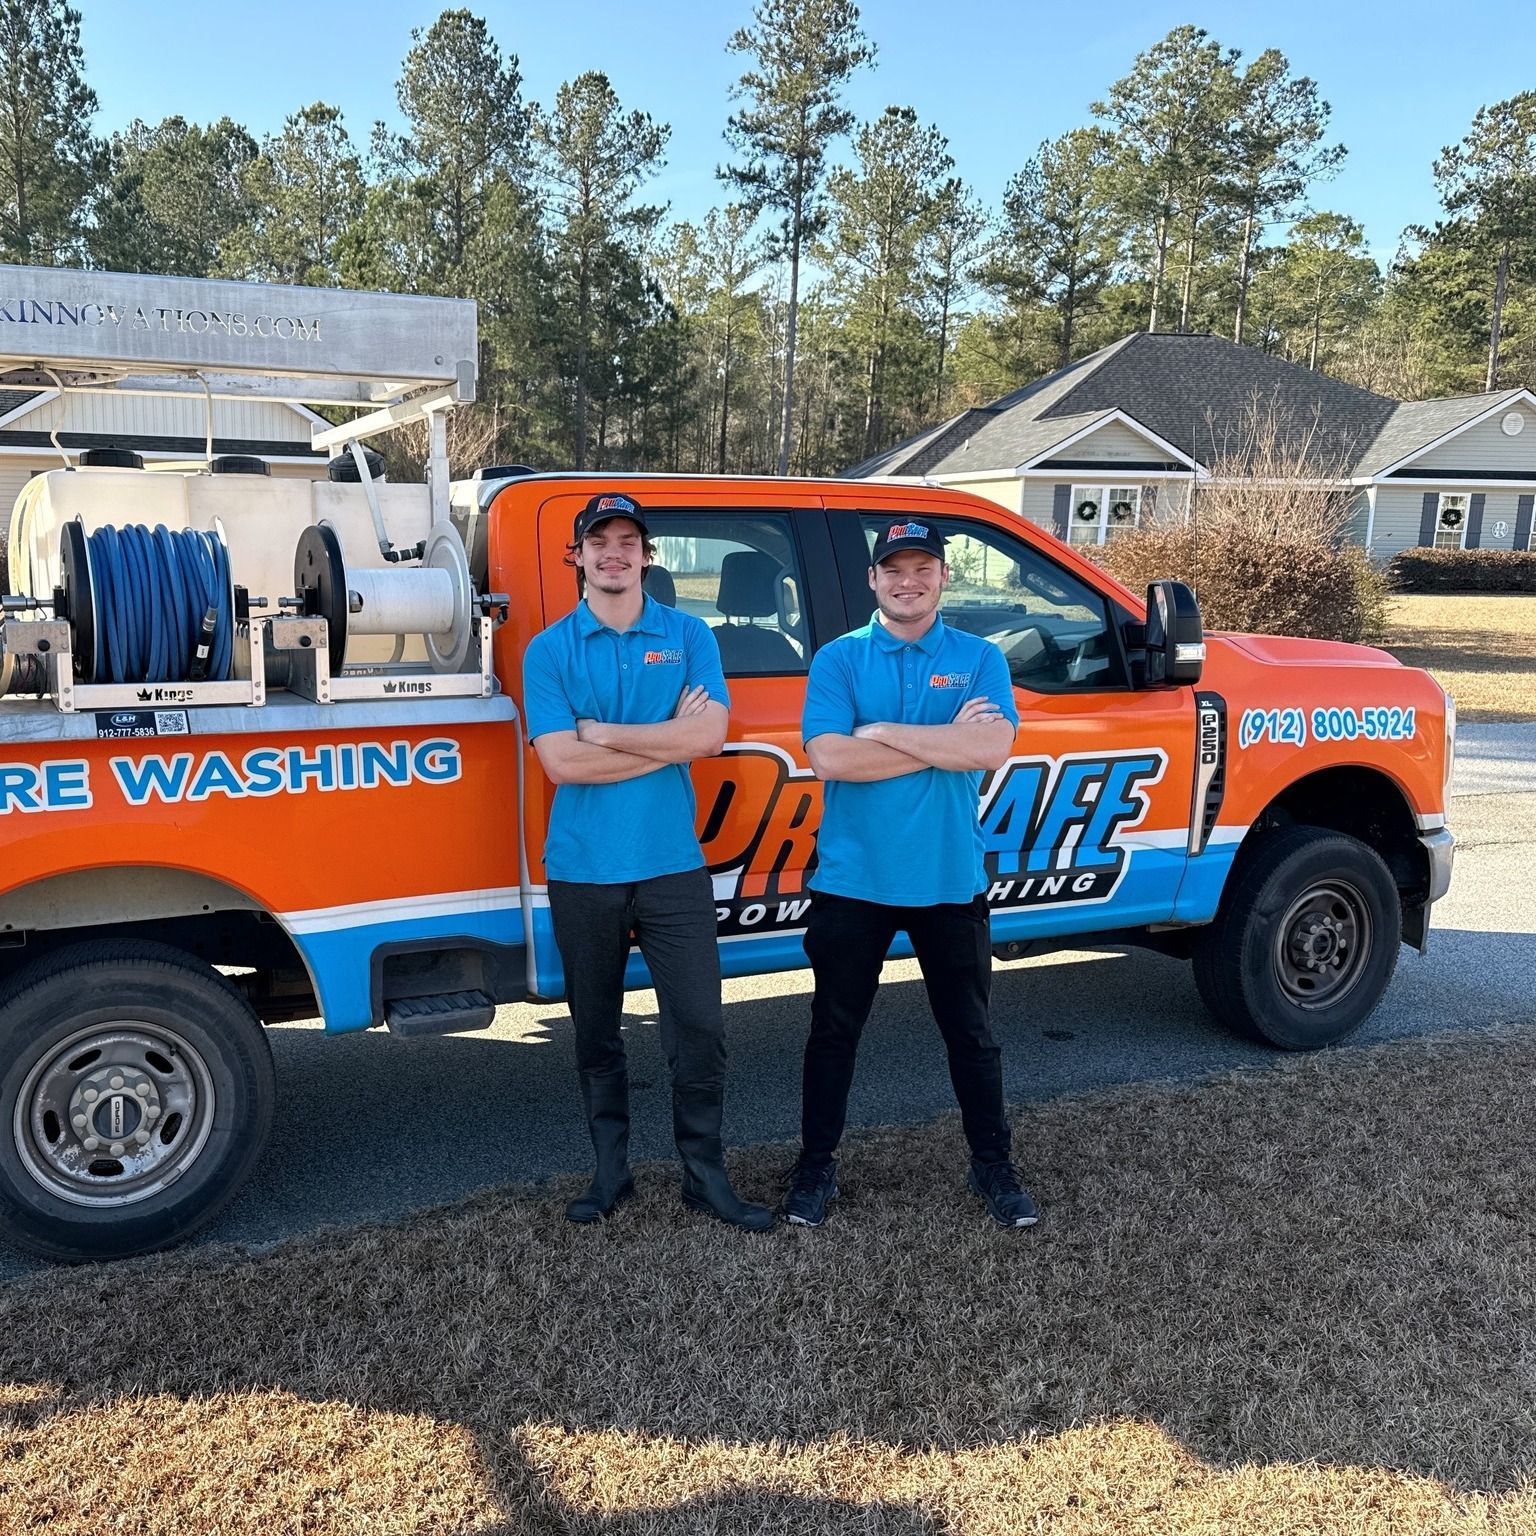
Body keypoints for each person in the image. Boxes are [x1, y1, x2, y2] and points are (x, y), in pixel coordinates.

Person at [522, 493, 773, 1232]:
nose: (614, 553)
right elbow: (561, 763)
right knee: (597, 1030)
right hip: (583, 868)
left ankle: (705, 1176)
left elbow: (708, 738)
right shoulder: (550, 649)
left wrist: (603, 733)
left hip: (671, 865)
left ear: (646, 556)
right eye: (599, 541)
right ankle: (611, 1174)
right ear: (577, 556)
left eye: (628, 541)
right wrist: (660, 734)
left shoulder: (688, 634)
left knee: (699, 1025)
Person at [785, 518, 1039, 1230]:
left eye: (921, 567)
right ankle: (815, 1169)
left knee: (972, 1034)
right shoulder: (838, 659)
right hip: (852, 880)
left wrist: (886, 732)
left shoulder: (979, 656)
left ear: (941, 576)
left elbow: (991, 747)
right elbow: (831, 759)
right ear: (873, 580)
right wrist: (943, 741)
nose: (908, 580)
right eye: (893, 568)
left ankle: (993, 1167)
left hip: (947, 878)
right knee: (833, 1034)